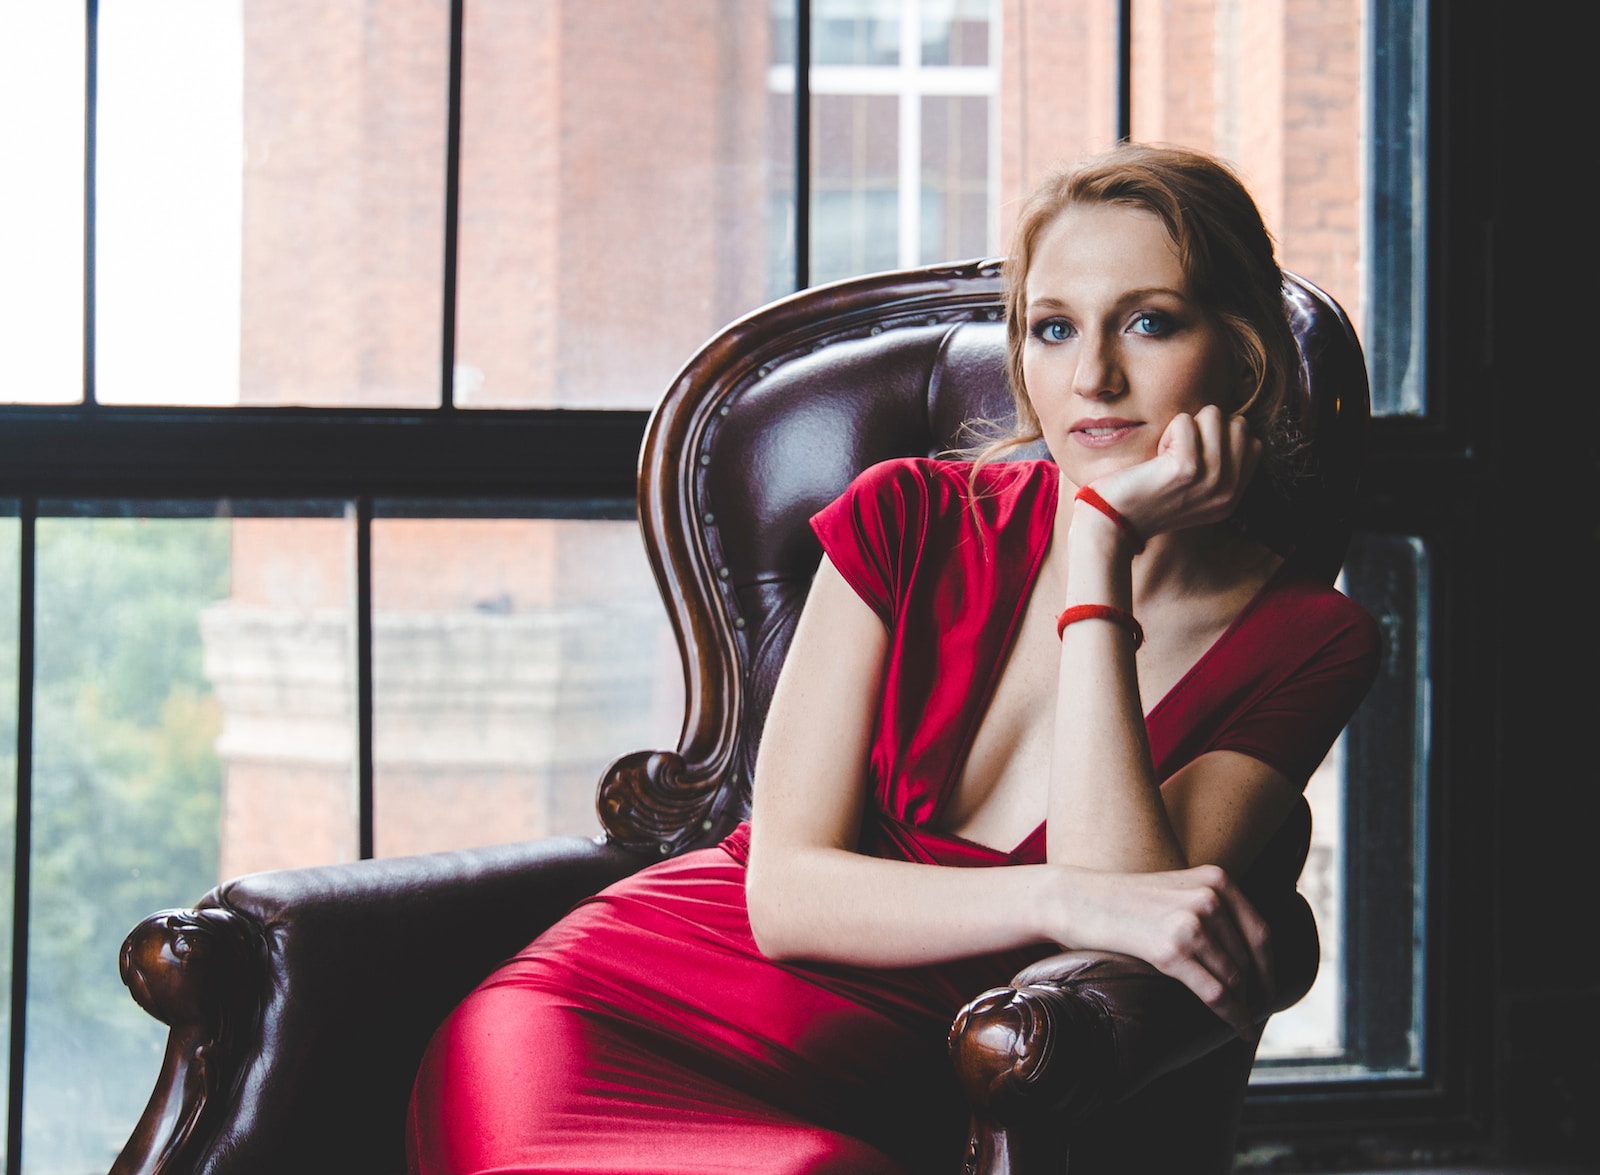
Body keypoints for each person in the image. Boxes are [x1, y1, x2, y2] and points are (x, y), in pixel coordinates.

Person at [405, 143, 1380, 1175]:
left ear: (1240, 353)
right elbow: (787, 898)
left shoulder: (1308, 639)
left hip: (858, 1101)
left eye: (1147, 321)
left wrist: (1097, 554)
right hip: (604, 1018)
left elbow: (1127, 929)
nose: (1090, 374)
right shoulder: (908, 515)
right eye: (1052, 328)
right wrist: (1053, 896)